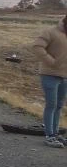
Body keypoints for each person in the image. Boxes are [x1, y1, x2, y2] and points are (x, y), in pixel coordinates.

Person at [32, 13, 67, 148]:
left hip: (65, 77)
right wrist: (51, 61)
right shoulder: (51, 32)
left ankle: (56, 133)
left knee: (58, 106)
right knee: (51, 104)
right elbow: (37, 46)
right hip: (49, 74)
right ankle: (49, 136)